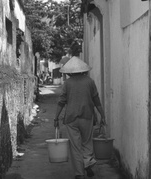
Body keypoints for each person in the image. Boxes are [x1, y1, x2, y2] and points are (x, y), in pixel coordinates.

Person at [54, 51, 106, 179]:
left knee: (75, 147)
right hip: (87, 117)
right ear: (83, 70)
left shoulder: (68, 83)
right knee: (87, 143)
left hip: (71, 119)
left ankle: (79, 173)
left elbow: (61, 102)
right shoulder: (90, 82)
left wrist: (56, 117)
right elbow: (96, 100)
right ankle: (87, 162)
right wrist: (102, 115)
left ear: (70, 71)